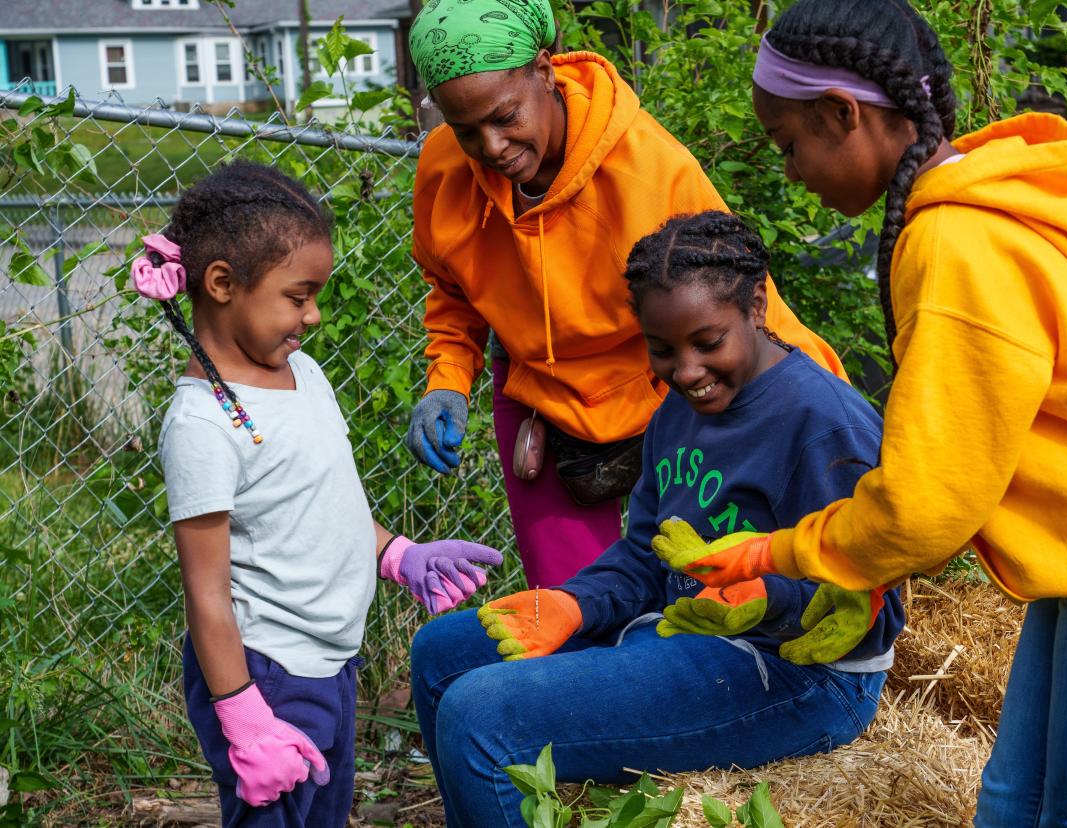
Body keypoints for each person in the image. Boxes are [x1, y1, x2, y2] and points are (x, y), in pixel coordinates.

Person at [648, 3, 1067, 826]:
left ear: (842, 113)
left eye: (789, 144)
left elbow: (931, 504)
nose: (789, 171)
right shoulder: (982, 205)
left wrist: (783, 552)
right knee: (1011, 802)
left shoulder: (956, 241)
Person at [407, 212, 905, 828]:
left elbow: (875, 607)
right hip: (681, 627)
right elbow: (645, 553)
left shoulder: (825, 423)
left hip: (802, 674)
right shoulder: (677, 409)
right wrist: (575, 604)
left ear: (756, 306)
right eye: (662, 349)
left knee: (482, 715)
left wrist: (765, 595)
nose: (687, 371)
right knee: (439, 653)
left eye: (707, 342)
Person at [405, 0, 848, 589]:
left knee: (690, 591)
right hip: (543, 401)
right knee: (572, 605)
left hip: (669, 397)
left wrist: (836, 426)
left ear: (545, 70)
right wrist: (447, 381)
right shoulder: (443, 169)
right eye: (466, 130)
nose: (491, 147)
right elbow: (455, 289)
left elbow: (743, 304)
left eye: (505, 116)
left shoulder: (651, 170)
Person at [145, 161, 502, 826]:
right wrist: (241, 712)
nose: (311, 315)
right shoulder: (202, 425)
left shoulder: (303, 373)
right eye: (297, 295)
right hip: (265, 673)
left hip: (332, 664)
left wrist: (397, 554)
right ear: (222, 284)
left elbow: (325, 504)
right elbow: (206, 594)